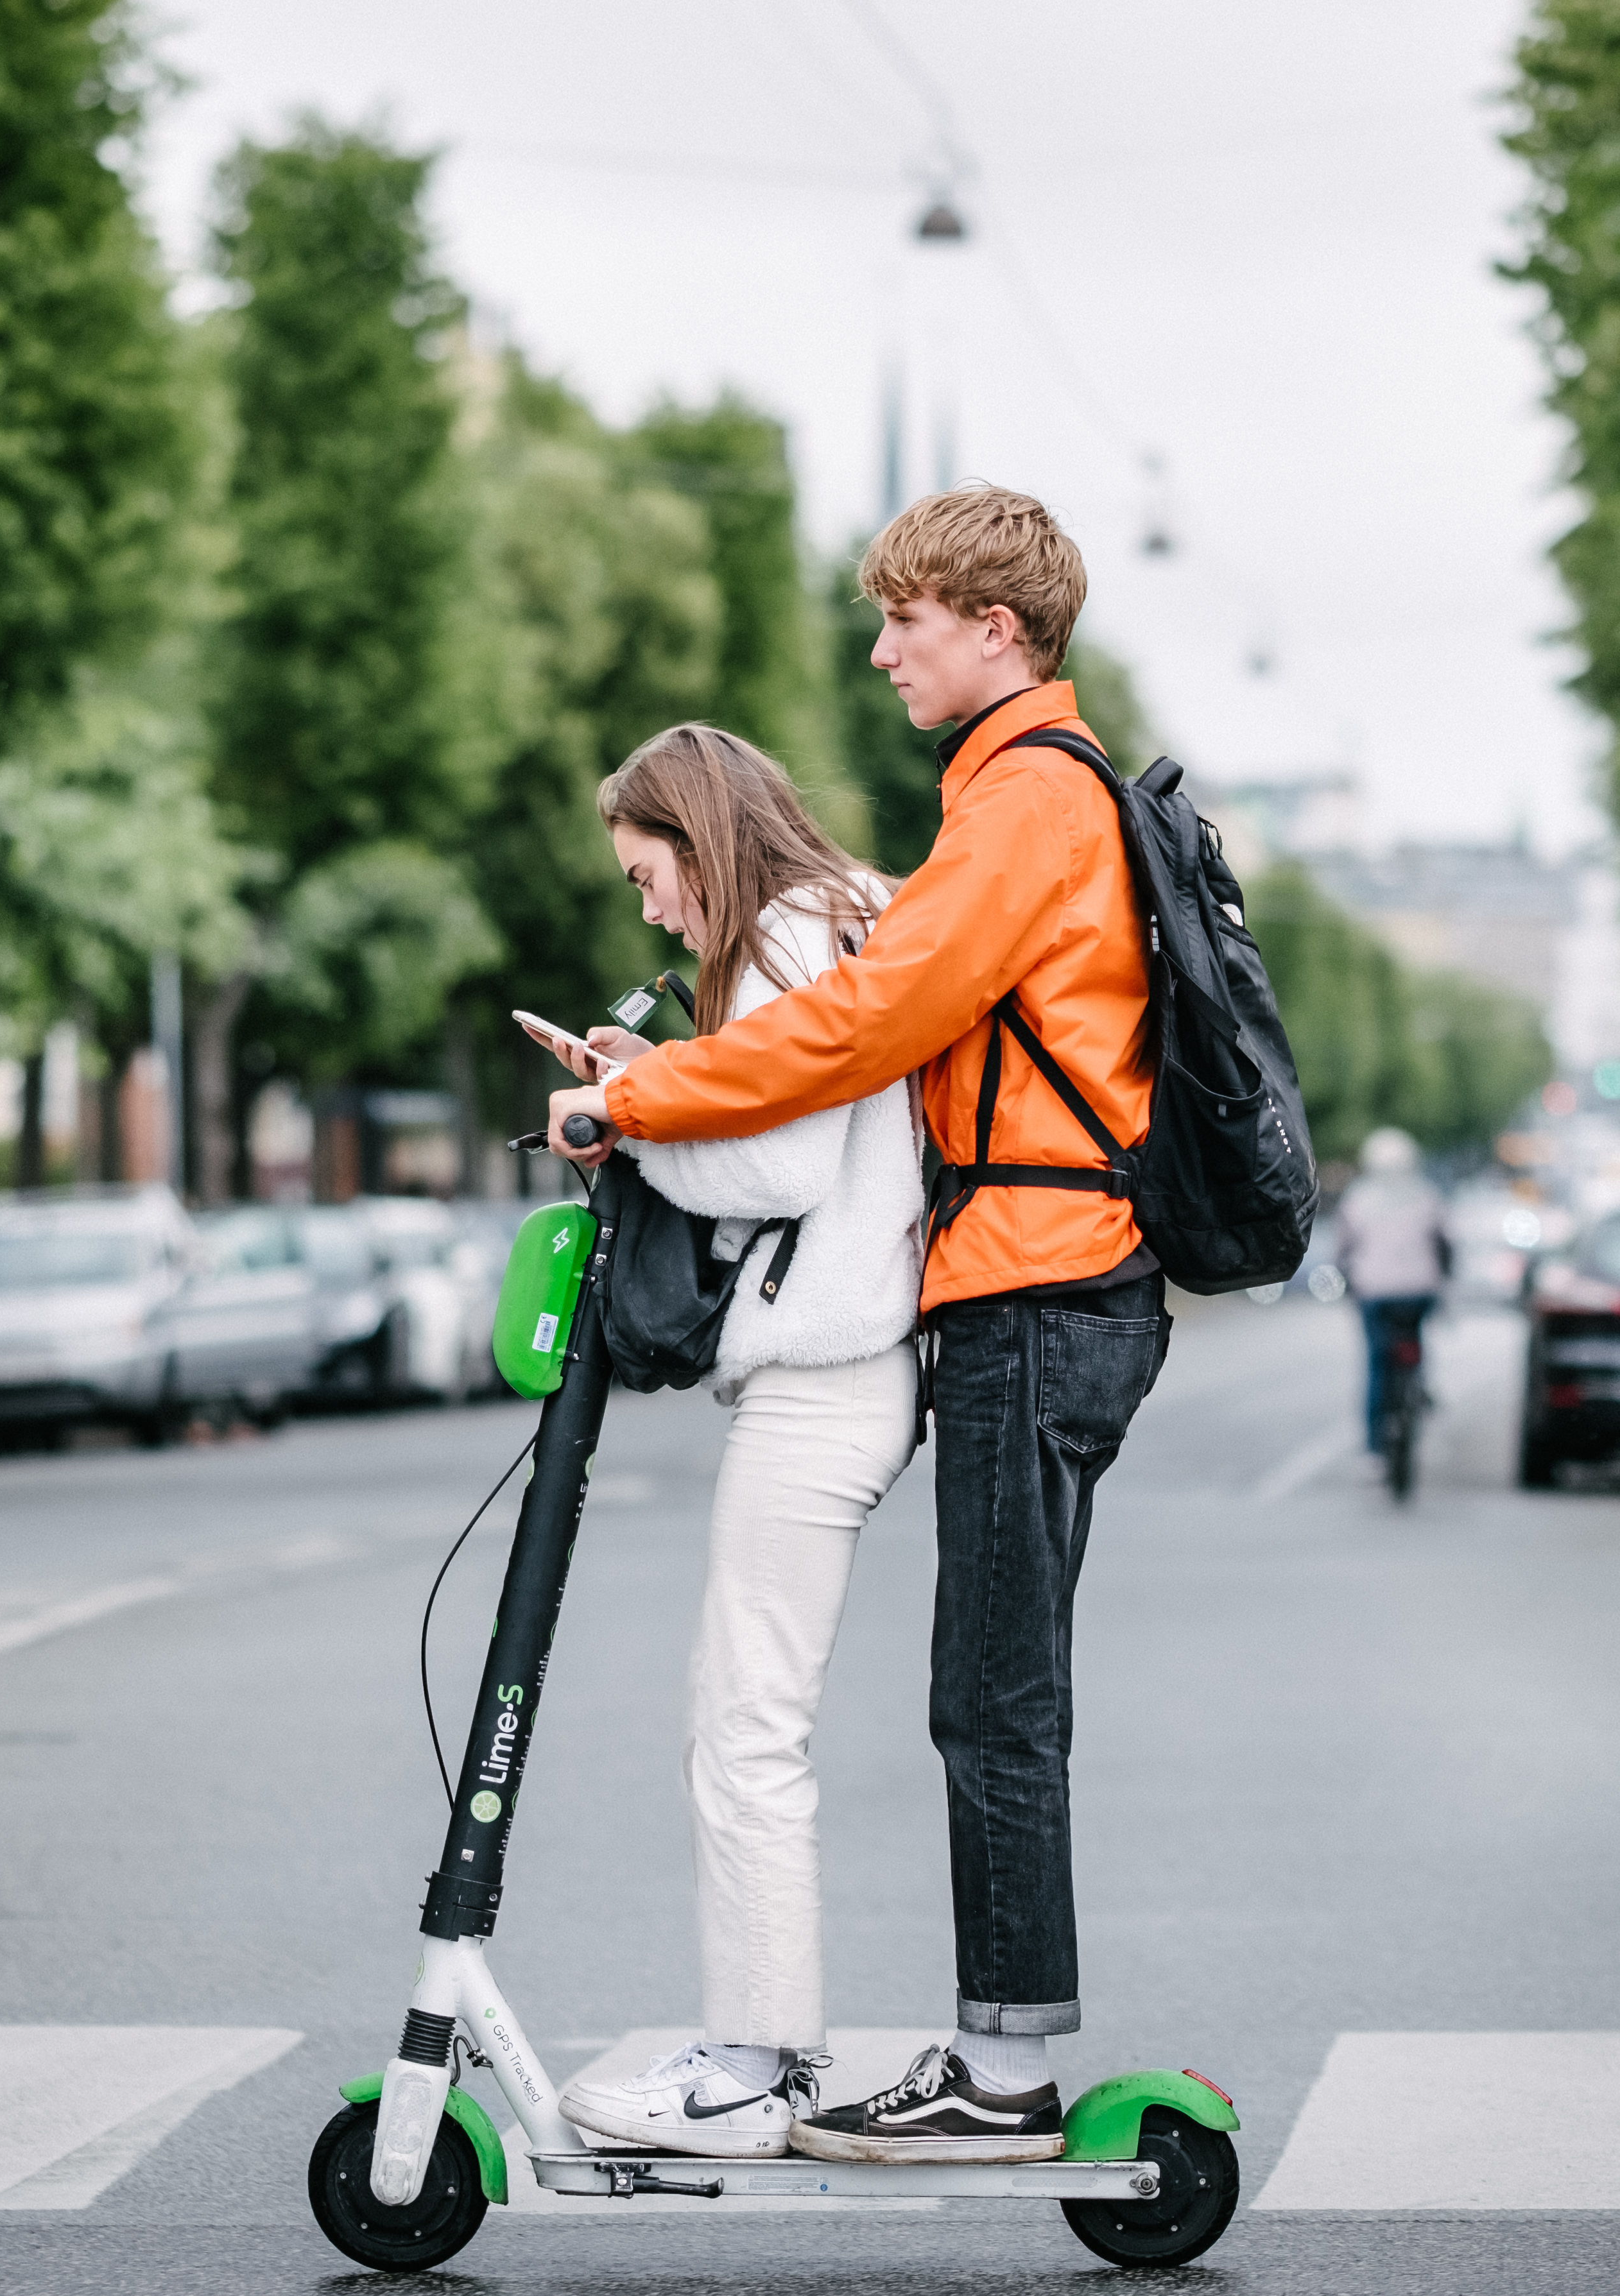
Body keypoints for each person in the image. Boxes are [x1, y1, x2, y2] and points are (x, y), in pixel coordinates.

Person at [550, 481, 1160, 2167]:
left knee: (989, 1694)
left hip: (1043, 1279)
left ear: (997, 624)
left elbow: (864, 1029)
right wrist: (659, 1086)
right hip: (1013, 1289)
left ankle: (997, 2073)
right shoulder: (993, 806)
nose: (879, 647)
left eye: (904, 617)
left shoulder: (1029, 800)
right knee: (980, 1690)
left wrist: (648, 1096)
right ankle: (984, 2057)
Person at [533, 725, 929, 2163]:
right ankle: (765, 2050)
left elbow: (775, 1163)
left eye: (648, 873)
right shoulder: (845, 913)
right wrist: (662, 1080)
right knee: (748, 1721)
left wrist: (621, 1115)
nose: (648, 908)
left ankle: (750, 2069)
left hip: (823, 1370)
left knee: (743, 1728)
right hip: (854, 1365)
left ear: (699, 839)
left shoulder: (781, 931)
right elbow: (777, 1115)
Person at [1337, 1127, 1446, 1450]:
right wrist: (1443, 1280)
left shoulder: (1358, 1199)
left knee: (1377, 1364)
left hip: (1374, 1293)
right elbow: (1445, 1244)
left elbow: (1344, 1249)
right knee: (1414, 1339)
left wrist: (1348, 1283)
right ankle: (1419, 1387)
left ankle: (1375, 1446)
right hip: (1419, 1291)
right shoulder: (1427, 1196)